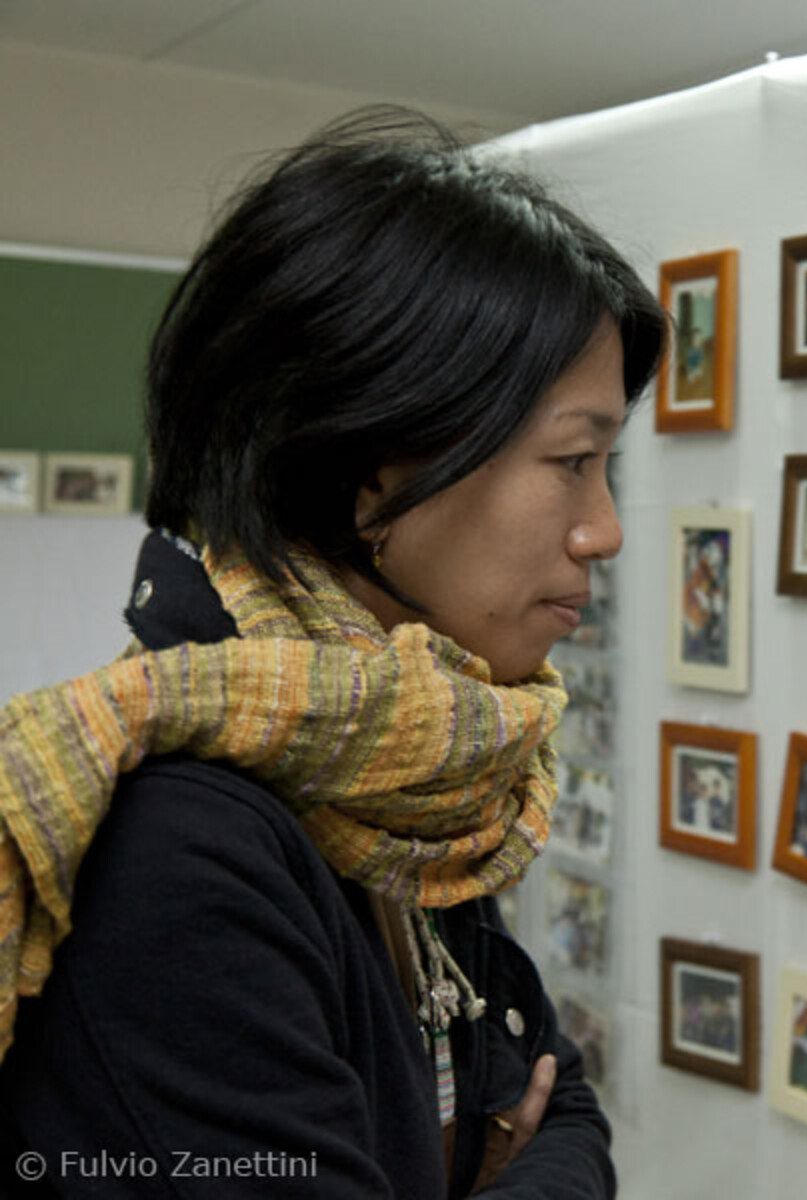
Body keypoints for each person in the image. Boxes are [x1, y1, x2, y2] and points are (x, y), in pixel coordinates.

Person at [0, 109, 665, 1198]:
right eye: (572, 461)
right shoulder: (181, 850)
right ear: (370, 469)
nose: (604, 529)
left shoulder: (405, 772)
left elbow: (565, 1106)